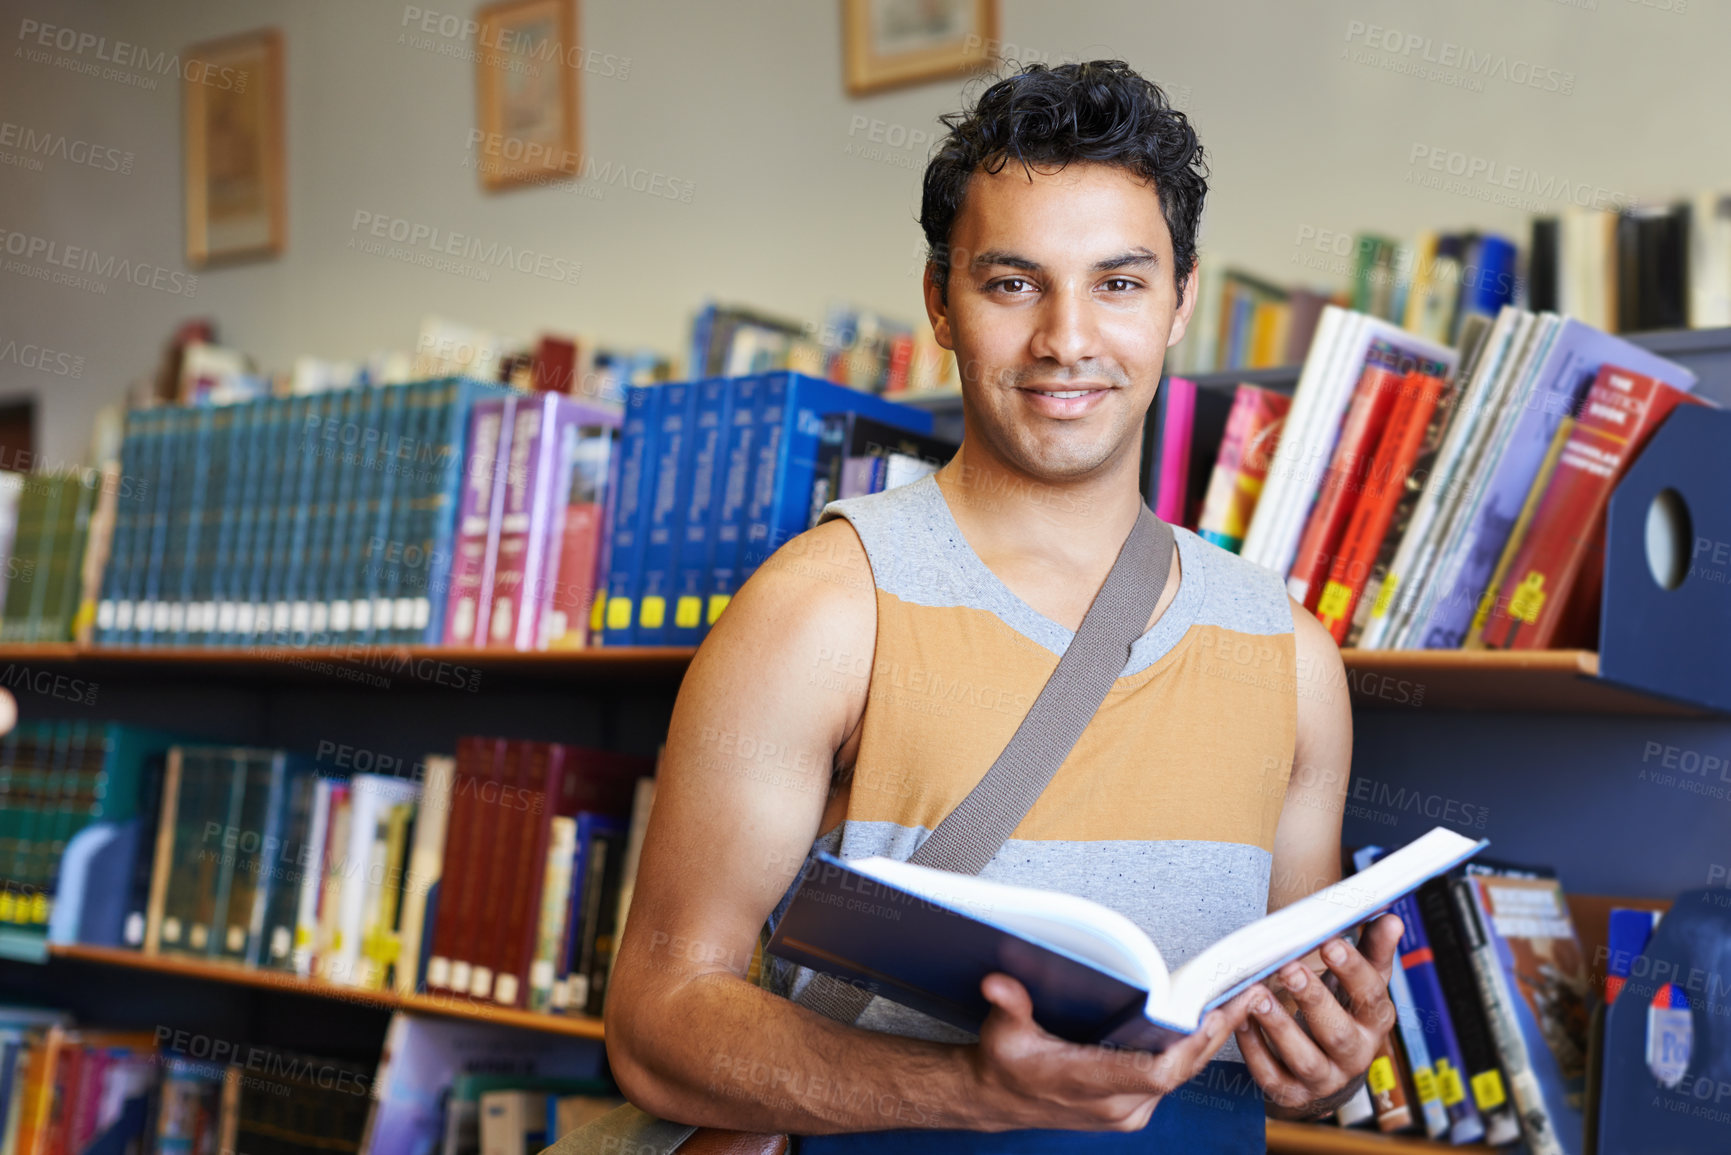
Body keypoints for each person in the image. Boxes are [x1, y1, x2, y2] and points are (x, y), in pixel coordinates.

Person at [604, 60, 1400, 1151]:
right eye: (1013, 283)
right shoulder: (822, 614)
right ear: (941, 301)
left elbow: (1281, 1031)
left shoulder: (1291, 657)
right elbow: (656, 1025)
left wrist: (1325, 1062)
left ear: (1181, 301)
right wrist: (972, 1089)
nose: (1066, 339)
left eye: (1119, 283)